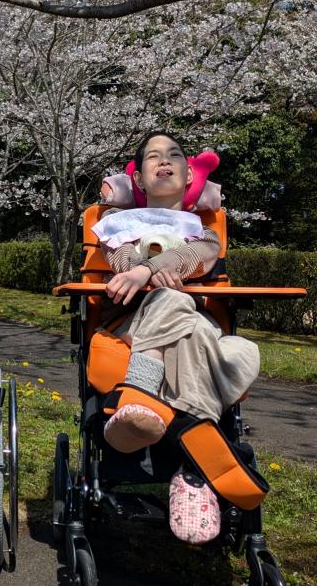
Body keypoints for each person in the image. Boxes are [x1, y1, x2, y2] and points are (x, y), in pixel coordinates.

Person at [94, 131, 260, 542]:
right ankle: (195, 476)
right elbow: (121, 258)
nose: (163, 161)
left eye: (174, 155)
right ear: (139, 180)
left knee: (240, 350)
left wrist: (148, 272)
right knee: (170, 302)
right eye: (152, 157)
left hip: (188, 328)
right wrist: (140, 270)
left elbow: (199, 259)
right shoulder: (119, 226)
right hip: (131, 324)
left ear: (189, 176)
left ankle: (143, 402)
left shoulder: (204, 232)